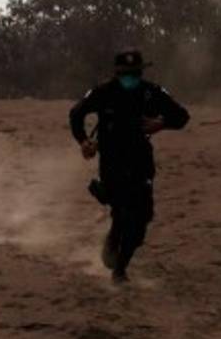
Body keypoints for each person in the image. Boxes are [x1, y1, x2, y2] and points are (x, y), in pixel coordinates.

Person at [69, 49, 189, 285]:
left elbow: (182, 116)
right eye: (125, 74)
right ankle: (116, 252)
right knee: (122, 210)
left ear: (141, 73)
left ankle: (120, 267)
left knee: (141, 218)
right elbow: (76, 114)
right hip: (112, 161)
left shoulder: (150, 92)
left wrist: (161, 123)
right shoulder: (103, 92)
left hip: (141, 161)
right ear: (117, 73)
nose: (130, 78)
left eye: (134, 74)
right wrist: (83, 141)